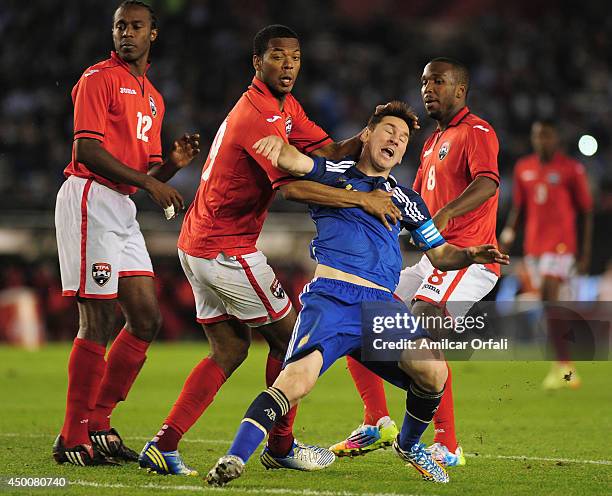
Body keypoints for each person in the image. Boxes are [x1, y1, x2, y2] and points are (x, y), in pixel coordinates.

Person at [138, 25, 402, 476]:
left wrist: (370, 133)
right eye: (278, 57)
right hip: (226, 248)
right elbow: (295, 188)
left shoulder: (283, 107)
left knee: (229, 349)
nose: (288, 65)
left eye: (295, 57)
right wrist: (362, 198)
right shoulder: (257, 116)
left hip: (198, 243)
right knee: (291, 338)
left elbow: (329, 152)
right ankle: (280, 445)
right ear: (256, 62)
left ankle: (164, 444)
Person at [206, 101, 509, 486]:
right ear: (367, 135)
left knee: (434, 373)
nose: (396, 141)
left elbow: (440, 254)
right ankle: (235, 456)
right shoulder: (336, 174)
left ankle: (409, 444)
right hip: (332, 299)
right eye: (388, 132)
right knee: (294, 382)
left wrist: (469, 254)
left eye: (402, 139)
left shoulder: (407, 201)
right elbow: (298, 167)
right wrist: (276, 147)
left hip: (382, 308)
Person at [331, 58, 501, 468]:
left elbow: (487, 182)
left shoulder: (476, 131)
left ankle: (448, 443)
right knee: (360, 310)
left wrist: (440, 218)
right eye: (424, 82)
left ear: (460, 90)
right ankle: (377, 422)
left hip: (467, 259)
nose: (428, 89)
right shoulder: (429, 142)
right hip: (432, 261)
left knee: (423, 325)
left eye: (438, 82)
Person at [52, 1, 200, 466]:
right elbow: (87, 150)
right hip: (89, 197)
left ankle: (98, 422)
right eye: (120, 26)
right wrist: (154, 182)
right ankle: (71, 437)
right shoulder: (98, 78)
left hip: (120, 205)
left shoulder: (153, 97)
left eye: (136, 26)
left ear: (153, 33)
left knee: (145, 317)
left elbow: (140, 167)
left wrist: (170, 166)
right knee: (96, 321)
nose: (126, 33)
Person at [499, 119, 593, 389]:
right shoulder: (523, 168)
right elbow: (519, 207)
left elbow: (586, 211)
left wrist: (584, 253)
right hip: (534, 248)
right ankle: (563, 366)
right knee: (548, 306)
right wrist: (508, 235)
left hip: (562, 246)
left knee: (550, 299)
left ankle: (565, 367)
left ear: (557, 138)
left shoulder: (571, 169)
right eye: (538, 136)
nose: (542, 141)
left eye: (547, 136)